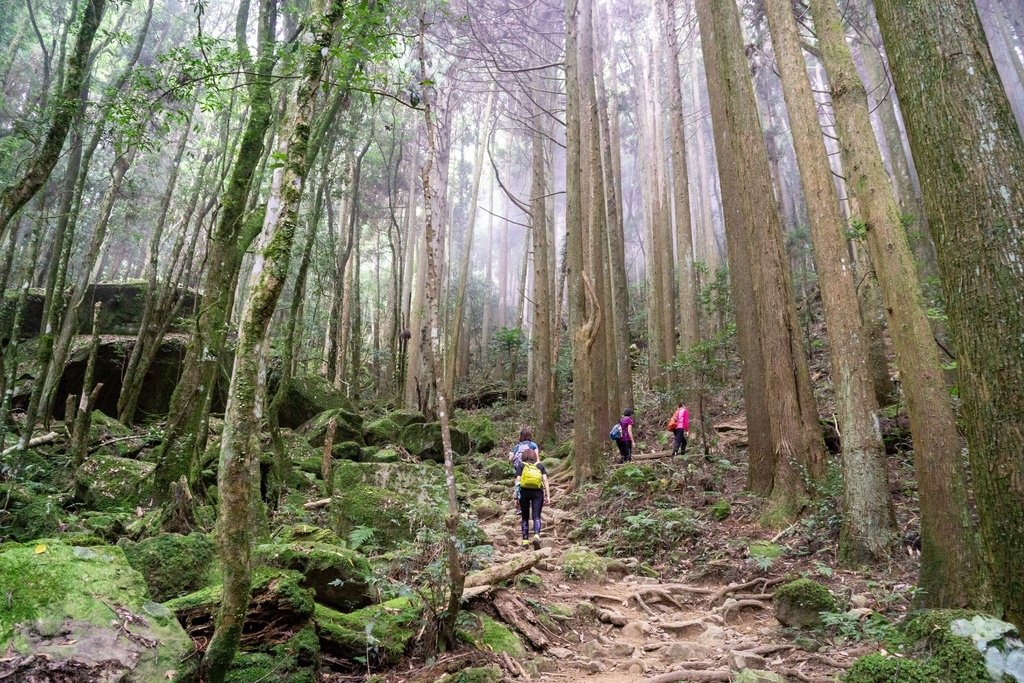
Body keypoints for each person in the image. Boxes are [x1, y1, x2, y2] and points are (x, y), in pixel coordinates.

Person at [514, 447, 550, 548]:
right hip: (537, 493)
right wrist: (548, 496)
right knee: (536, 516)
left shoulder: (521, 465)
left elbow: (518, 481)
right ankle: (536, 536)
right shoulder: (540, 466)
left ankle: (525, 541)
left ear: (523, 457)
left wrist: (516, 496)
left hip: (524, 492)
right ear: (534, 456)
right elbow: (545, 481)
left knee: (525, 517)